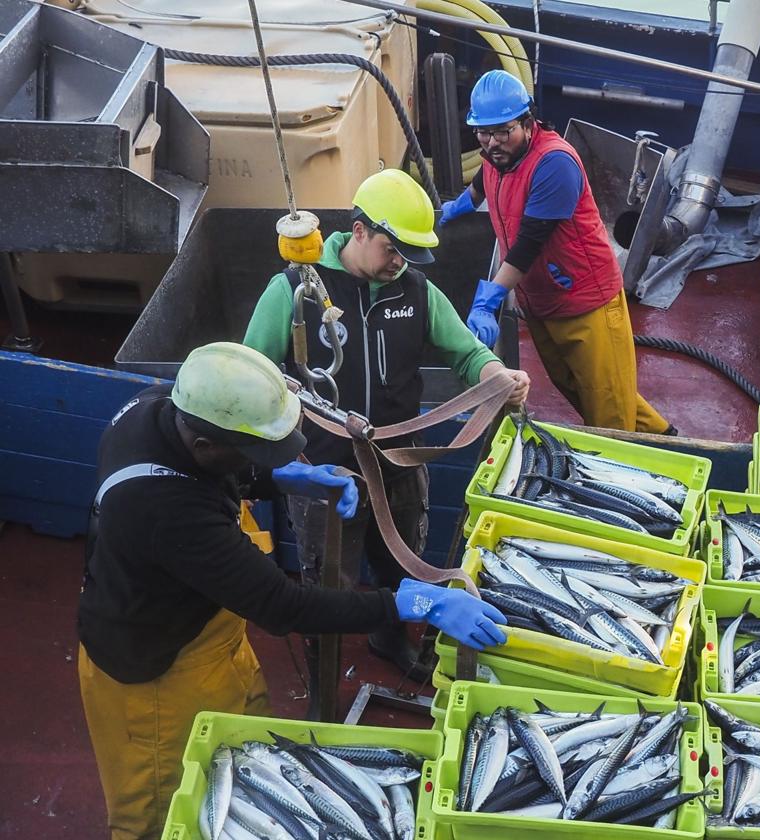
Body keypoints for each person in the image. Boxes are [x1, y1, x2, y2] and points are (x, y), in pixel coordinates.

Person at [76, 342, 507, 840]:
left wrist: (279, 476)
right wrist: (410, 602)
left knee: (250, 766)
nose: (261, 459)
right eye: (255, 451)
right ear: (206, 446)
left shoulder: (161, 407)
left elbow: (219, 462)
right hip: (152, 673)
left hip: (210, 637)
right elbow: (285, 604)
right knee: (163, 811)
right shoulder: (166, 511)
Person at [243, 169, 529, 685]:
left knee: (405, 566)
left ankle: (392, 638)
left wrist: (498, 377)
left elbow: (466, 353)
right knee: (330, 584)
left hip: (399, 465)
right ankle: (324, 677)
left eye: (408, 255)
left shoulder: (416, 290)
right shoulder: (292, 291)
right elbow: (253, 376)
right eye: (391, 249)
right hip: (324, 474)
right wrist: (282, 460)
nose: (399, 263)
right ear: (358, 231)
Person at [439, 69, 675, 435]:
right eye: (484, 133)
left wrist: (488, 299)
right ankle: (666, 438)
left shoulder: (554, 164)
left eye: (504, 131)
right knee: (580, 389)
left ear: (528, 122)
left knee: (608, 409)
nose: (493, 142)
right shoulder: (495, 155)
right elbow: (481, 185)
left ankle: (641, 459)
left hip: (586, 302)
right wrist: (455, 208)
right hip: (541, 302)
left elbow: (530, 242)